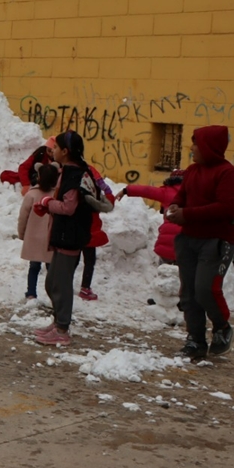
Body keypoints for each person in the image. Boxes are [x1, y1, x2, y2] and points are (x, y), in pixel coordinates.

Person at [166, 125, 234, 359]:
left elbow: (224, 208)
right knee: (188, 293)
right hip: (189, 239)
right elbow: (181, 197)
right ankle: (195, 340)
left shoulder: (228, 174)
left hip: (216, 241)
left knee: (205, 289)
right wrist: (174, 207)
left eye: (196, 142)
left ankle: (222, 327)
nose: (192, 147)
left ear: (209, 146)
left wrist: (187, 214)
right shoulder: (192, 171)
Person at [33, 131, 96, 347]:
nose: (53, 151)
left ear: (66, 151)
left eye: (56, 148)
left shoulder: (75, 175)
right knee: (52, 282)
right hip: (62, 235)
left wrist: (48, 203)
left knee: (61, 284)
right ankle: (58, 321)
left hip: (70, 236)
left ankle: (62, 328)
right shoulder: (68, 171)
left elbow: (69, 207)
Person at [116, 171, 184, 264]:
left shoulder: (166, 191)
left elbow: (147, 190)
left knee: (164, 274)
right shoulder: (194, 194)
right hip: (185, 241)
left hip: (166, 242)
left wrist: (126, 190)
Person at [18, 163, 59, 300]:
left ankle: (31, 293)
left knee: (34, 267)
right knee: (51, 269)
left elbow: (23, 216)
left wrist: (22, 233)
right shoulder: (58, 195)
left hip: (33, 237)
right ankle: (53, 294)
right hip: (51, 238)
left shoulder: (31, 195)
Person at [76, 164, 115, 301]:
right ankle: (85, 288)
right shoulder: (95, 197)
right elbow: (108, 198)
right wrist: (107, 191)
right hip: (91, 233)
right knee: (89, 261)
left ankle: (66, 282)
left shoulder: (77, 195)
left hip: (77, 231)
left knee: (73, 259)